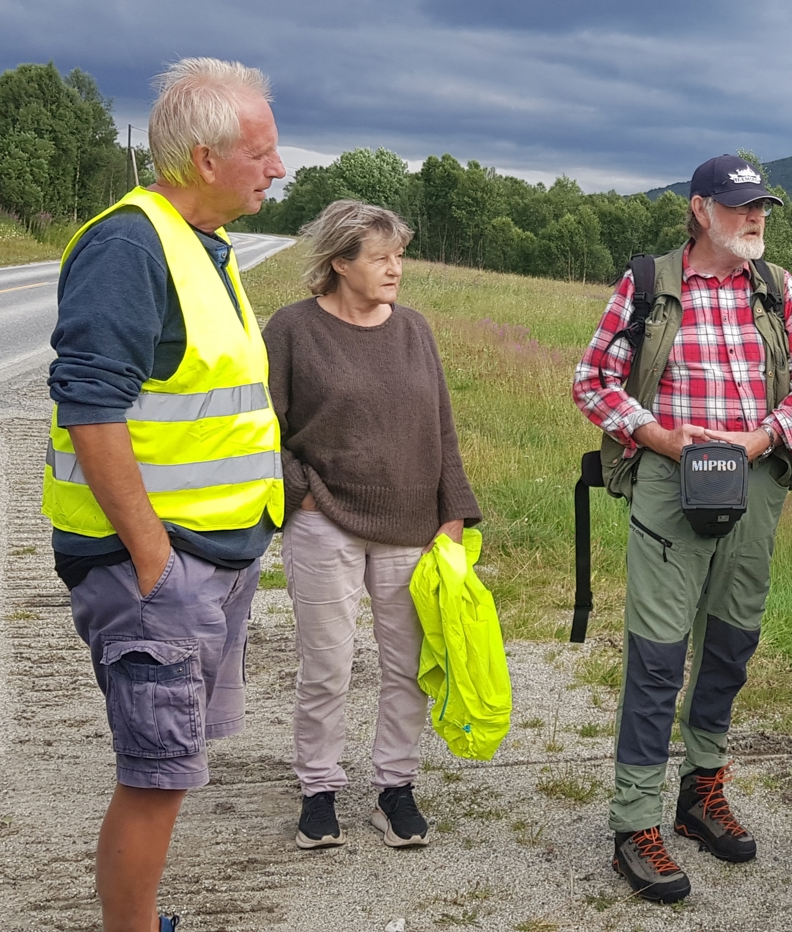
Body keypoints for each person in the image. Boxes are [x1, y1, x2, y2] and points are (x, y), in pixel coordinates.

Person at [44, 58, 287, 932]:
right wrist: (153, 557)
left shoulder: (198, 247)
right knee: (154, 778)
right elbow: (90, 410)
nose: (279, 167)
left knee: (170, 771)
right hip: (158, 568)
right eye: (262, 151)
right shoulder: (129, 245)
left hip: (211, 556)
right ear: (202, 159)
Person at [571, 154, 792, 902]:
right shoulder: (651, 284)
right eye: (740, 205)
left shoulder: (777, 289)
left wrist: (760, 439)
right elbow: (593, 380)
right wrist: (658, 436)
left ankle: (701, 792)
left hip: (754, 480)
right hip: (667, 483)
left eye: (762, 208)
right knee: (658, 658)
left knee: (731, 646)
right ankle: (634, 822)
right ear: (699, 209)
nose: (755, 218)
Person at [263, 200, 480, 849]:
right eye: (381, 257)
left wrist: (453, 513)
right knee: (327, 665)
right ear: (339, 263)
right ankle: (319, 790)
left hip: (412, 525)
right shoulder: (292, 330)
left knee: (409, 666)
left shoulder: (414, 329)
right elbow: (259, 432)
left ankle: (394, 789)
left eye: (399, 255)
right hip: (324, 520)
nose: (396, 268)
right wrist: (300, 493)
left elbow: (440, 427)